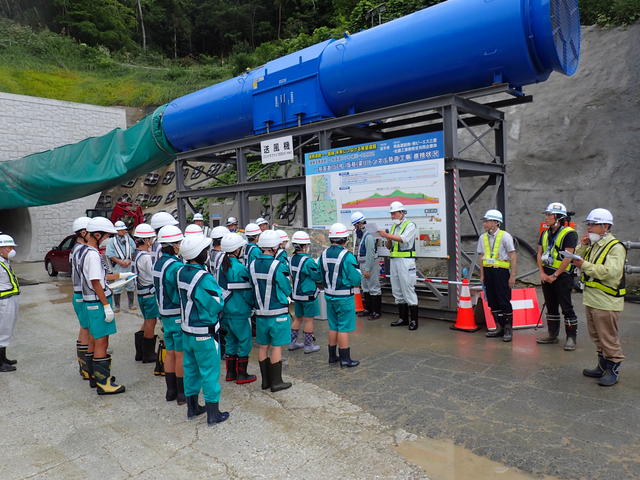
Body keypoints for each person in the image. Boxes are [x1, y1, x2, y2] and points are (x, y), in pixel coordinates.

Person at [177, 234, 230, 425]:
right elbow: (216, 304)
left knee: (190, 369)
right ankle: (213, 414)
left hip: (187, 331)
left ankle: (192, 408)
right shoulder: (203, 277)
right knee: (209, 372)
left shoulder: (181, 271)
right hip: (204, 334)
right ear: (201, 254)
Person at [573, 208, 627, 387]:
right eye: (588, 224)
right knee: (597, 336)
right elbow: (578, 258)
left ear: (605, 226)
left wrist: (584, 265)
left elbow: (610, 273)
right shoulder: (594, 244)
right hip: (592, 298)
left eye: (593, 224)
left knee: (608, 337)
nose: (589, 227)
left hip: (606, 300)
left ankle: (613, 369)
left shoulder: (616, 247)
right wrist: (584, 246)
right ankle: (602, 366)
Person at [80, 217, 132, 394]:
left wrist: (121, 277)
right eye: (106, 236)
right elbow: (96, 282)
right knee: (102, 341)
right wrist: (106, 305)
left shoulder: (87, 251)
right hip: (98, 301)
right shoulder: (93, 255)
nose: (108, 239)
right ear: (97, 234)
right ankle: (104, 383)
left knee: (95, 339)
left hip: (93, 302)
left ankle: (96, 377)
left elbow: (100, 278)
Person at [248, 229, 292, 392]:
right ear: (274, 247)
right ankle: (276, 382)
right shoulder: (277, 266)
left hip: (260, 313)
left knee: (263, 346)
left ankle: (265, 381)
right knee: (276, 347)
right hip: (277, 313)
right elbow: (287, 288)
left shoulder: (252, 265)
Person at [536, 202, 579, 350]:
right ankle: (552, 335)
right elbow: (539, 253)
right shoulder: (545, 233)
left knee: (566, 307)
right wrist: (542, 273)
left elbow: (568, 257)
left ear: (559, 217)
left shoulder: (569, 233)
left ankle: (571, 338)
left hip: (562, 276)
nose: (546, 217)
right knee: (551, 305)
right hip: (546, 273)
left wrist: (555, 275)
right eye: (546, 214)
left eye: (549, 214)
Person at [319, 223, 362, 367]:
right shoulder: (347, 256)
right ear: (345, 239)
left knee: (333, 326)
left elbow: (319, 275)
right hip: (344, 297)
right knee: (343, 328)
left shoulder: (323, 254)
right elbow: (356, 279)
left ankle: (332, 357)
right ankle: (345, 359)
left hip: (329, 295)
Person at [153, 224, 187, 404]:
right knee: (180, 354)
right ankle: (182, 394)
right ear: (173, 245)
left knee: (170, 352)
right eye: (179, 242)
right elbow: (178, 293)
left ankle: (170, 391)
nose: (181, 245)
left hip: (164, 314)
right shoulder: (175, 265)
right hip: (176, 314)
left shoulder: (158, 262)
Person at [218, 233, 257, 384]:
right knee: (244, 342)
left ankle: (230, 373)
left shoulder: (222, 266)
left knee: (230, 341)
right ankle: (242, 375)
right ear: (237, 250)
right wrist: (253, 305)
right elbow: (247, 293)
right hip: (240, 312)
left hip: (226, 311)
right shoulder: (240, 269)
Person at [377, 201, 418, 330]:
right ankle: (403, 318)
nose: (392, 215)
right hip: (394, 260)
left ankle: (414, 320)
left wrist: (387, 235)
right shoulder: (394, 227)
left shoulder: (410, 225)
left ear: (402, 213)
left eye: (394, 213)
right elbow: (390, 246)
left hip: (406, 261)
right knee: (397, 290)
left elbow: (403, 239)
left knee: (408, 289)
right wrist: (387, 239)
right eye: (391, 213)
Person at [478, 209, 517, 342]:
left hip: (501, 272)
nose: (485, 223)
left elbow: (513, 255)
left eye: (487, 221)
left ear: (496, 222)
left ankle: (507, 329)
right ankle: (499, 327)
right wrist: (482, 275)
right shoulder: (482, 238)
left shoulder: (505, 236)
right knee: (492, 301)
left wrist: (513, 276)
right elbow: (482, 257)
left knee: (504, 300)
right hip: (488, 273)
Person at [288, 231, 322, 354]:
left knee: (298, 319)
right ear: (304, 246)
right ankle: (308, 345)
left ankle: (292, 343)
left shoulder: (291, 259)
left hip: (296, 294)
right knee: (309, 320)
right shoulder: (308, 261)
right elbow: (317, 276)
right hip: (308, 294)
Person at [131, 223, 160, 364]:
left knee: (146, 320)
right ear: (146, 240)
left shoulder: (136, 254)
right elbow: (153, 274)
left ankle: (140, 352)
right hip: (149, 293)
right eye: (150, 238)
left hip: (142, 293)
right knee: (151, 321)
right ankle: (148, 354)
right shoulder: (146, 257)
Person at [70, 216, 92, 380]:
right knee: (86, 328)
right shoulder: (81, 250)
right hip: (82, 294)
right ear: (84, 232)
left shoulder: (76, 248)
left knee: (84, 328)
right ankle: (85, 366)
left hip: (78, 293)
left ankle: (84, 365)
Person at [351, 211, 382, 320]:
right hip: (363, 264)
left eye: (355, 225)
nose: (355, 228)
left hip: (370, 264)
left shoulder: (369, 236)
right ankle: (368, 309)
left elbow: (370, 253)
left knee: (374, 287)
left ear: (359, 224)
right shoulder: (361, 236)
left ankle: (376, 312)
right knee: (365, 287)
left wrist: (368, 269)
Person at [106, 221, 137, 313]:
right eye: (122, 230)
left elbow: (134, 250)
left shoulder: (129, 239)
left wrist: (129, 260)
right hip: (118, 266)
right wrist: (119, 262)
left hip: (128, 264)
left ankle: (131, 304)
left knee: (130, 284)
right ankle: (117, 306)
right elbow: (110, 254)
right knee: (118, 285)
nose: (124, 232)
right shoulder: (111, 241)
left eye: (124, 230)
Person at [0, 234, 20, 372]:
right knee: (2, 330)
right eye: (8, 247)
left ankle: (3, 358)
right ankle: (0, 363)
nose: (12, 249)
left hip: (9, 298)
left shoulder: (4, 260)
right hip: (3, 301)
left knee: (7, 329)